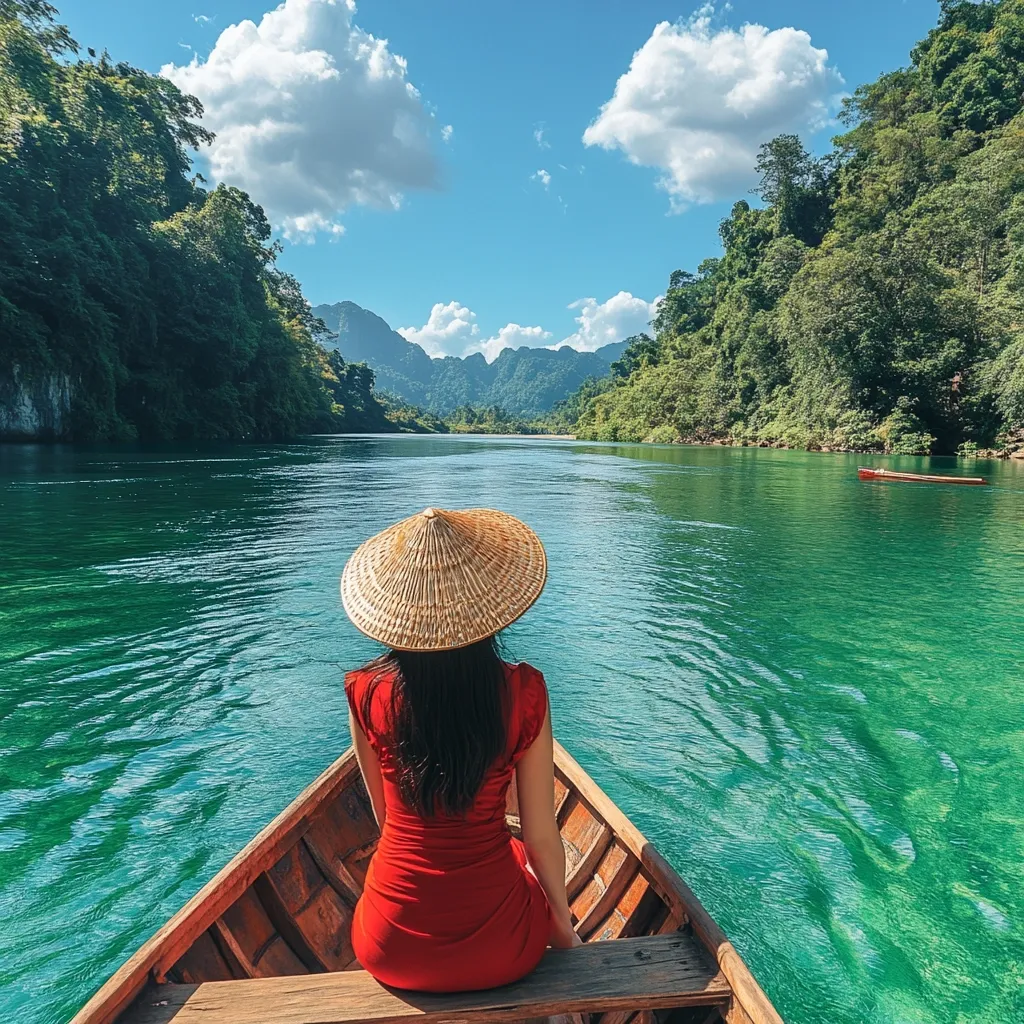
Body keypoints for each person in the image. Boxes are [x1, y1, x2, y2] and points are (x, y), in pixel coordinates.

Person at [339, 506, 579, 993]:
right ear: (491, 608)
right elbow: (540, 835)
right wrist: (564, 929)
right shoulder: (524, 692)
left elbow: (386, 821)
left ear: (395, 611)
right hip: (504, 952)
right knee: (513, 853)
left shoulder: (363, 691)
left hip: (388, 947)